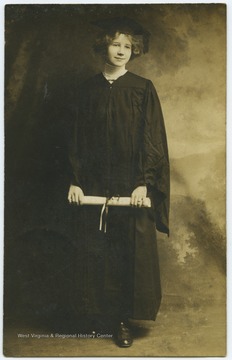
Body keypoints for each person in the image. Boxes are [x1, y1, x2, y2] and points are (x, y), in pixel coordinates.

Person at [67, 16, 170, 348]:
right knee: (98, 252)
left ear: (134, 49)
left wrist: (144, 183)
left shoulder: (142, 88)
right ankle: (101, 315)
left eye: (127, 46)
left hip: (131, 187)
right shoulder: (86, 90)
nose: (122, 50)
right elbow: (74, 140)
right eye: (115, 44)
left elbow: (151, 140)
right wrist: (75, 180)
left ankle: (123, 320)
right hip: (94, 186)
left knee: (128, 253)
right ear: (104, 47)